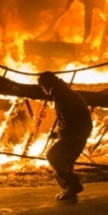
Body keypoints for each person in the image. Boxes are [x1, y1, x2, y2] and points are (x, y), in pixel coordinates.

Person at [38, 71, 93, 201]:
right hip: (79, 132)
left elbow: (69, 119)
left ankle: (72, 185)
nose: (43, 90)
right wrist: (58, 133)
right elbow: (69, 118)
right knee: (65, 160)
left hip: (75, 134)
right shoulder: (65, 93)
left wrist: (62, 133)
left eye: (43, 86)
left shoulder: (62, 96)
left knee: (53, 156)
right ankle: (70, 190)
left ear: (47, 84)